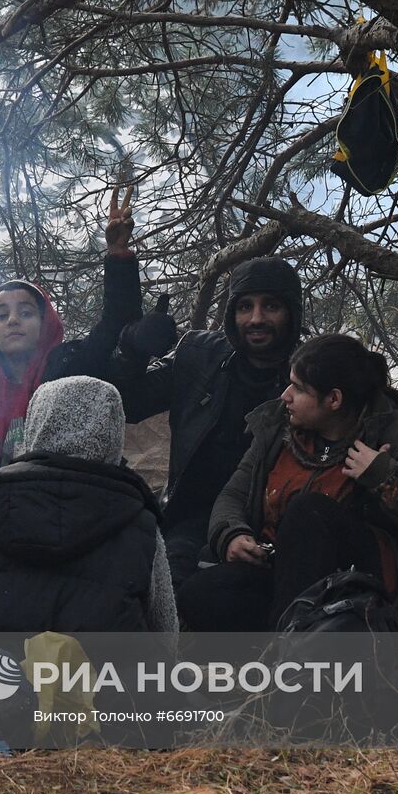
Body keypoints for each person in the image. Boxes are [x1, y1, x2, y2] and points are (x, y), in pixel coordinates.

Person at [182, 334, 398, 631]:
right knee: (199, 595)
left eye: (299, 389)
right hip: (280, 573)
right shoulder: (279, 428)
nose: (285, 395)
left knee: (309, 511)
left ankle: (288, 653)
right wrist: (232, 535)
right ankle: (288, 639)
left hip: (361, 590)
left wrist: (387, 477)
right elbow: (233, 494)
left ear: (334, 399)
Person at [0, 189, 145, 509]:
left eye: (26, 312)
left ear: (46, 324)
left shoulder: (71, 367)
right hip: (3, 520)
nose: (13, 320)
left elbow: (116, 323)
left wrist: (118, 255)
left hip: (73, 508)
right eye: (2, 316)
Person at [0, 376, 177, 633]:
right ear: (114, 430)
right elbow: (165, 635)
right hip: (100, 678)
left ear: (35, 423)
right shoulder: (139, 518)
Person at [114, 256, 303, 624]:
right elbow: (128, 403)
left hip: (271, 527)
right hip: (191, 519)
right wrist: (132, 348)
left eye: (272, 306)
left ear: (292, 312)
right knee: (161, 601)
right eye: (245, 306)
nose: (257, 319)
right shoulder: (201, 355)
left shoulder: (311, 373)